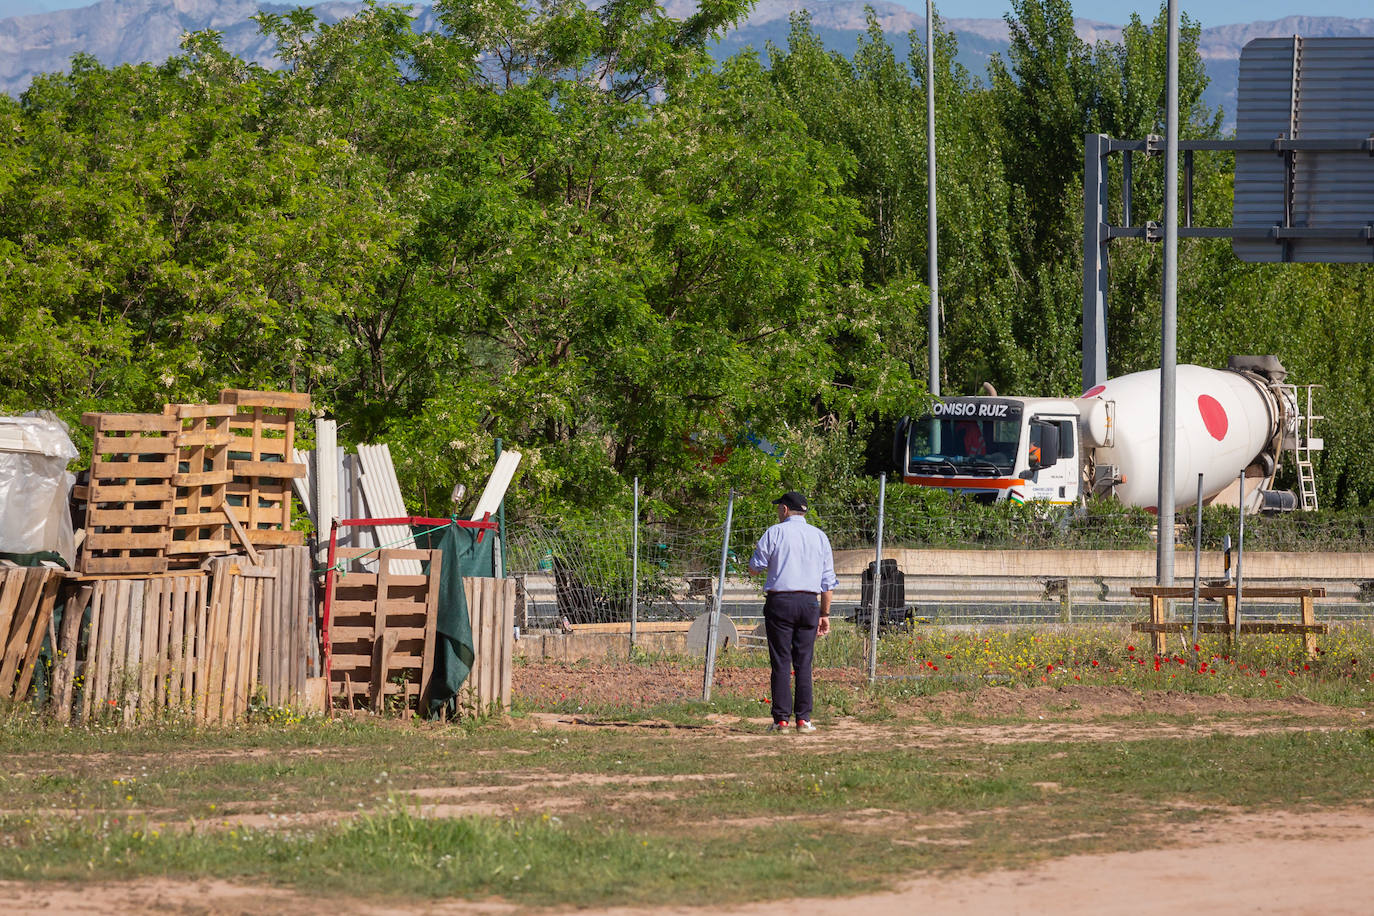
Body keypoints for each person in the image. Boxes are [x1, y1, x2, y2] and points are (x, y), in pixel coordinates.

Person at [748, 491, 837, 733]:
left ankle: (781, 720)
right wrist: (824, 613)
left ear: (785, 510)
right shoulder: (820, 537)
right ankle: (803, 719)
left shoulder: (775, 532)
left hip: (780, 602)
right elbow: (827, 582)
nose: (778, 512)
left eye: (779, 508)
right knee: (804, 662)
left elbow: (755, 567)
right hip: (809, 603)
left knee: (781, 662)